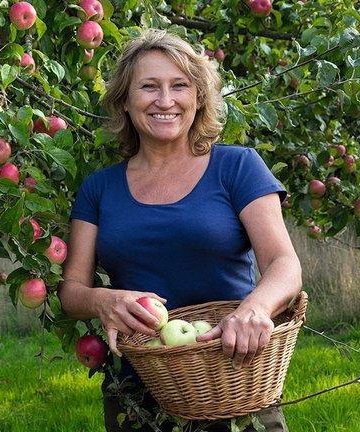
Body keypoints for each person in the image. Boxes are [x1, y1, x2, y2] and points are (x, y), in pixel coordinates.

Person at [57, 29, 303, 432]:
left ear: (199, 97)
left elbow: (284, 263)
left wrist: (256, 309)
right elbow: (71, 292)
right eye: (149, 87)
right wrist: (103, 301)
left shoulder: (237, 167)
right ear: (124, 100)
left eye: (180, 86)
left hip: (233, 374)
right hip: (139, 389)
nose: (165, 100)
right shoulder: (99, 188)